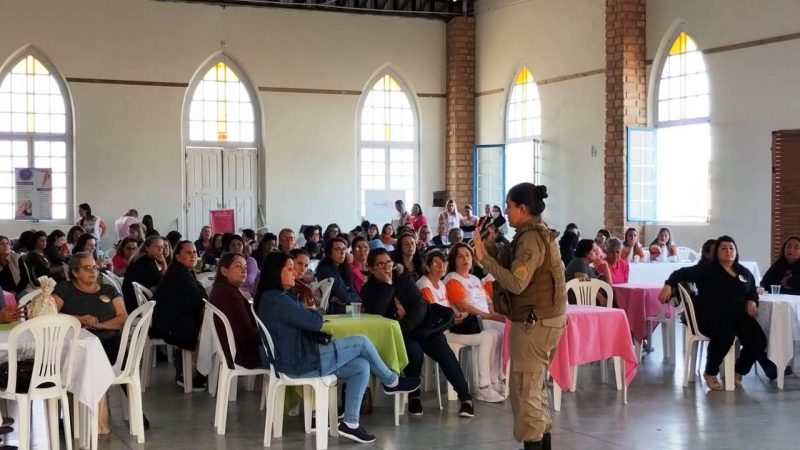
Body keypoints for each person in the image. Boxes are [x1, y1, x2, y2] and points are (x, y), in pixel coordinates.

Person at [255, 251, 420, 444]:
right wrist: (314, 310)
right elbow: (315, 322)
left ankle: (351, 423)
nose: (295, 273)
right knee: (361, 341)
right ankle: (391, 381)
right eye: (290, 269)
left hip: (296, 356)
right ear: (276, 272)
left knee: (361, 366)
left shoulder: (273, 297)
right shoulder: (278, 299)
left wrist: (309, 311)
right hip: (297, 361)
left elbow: (305, 318)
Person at [472, 182, 566, 450]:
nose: (506, 211)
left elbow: (516, 282)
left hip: (535, 326)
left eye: (509, 206)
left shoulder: (531, 238)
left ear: (522, 208)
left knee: (526, 394)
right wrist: (491, 248)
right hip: (545, 322)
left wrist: (483, 259)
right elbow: (516, 263)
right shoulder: (533, 232)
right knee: (534, 391)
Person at [361, 248, 474, 418]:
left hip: (419, 327)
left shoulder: (404, 278)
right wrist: (388, 285)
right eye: (380, 264)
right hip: (398, 335)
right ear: (370, 268)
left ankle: (465, 399)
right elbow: (377, 311)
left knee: (444, 352)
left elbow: (420, 305)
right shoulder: (368, 289)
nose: (386, 268)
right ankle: (414, 396)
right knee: (414, 354)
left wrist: (404, 325)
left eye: (388, 263)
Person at [658, 235, 778, 390]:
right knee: (725, 335)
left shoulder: (744, 272)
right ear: (717, 252)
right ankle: (710, 372)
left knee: (758, 340)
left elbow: (752, 291)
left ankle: (738, 370)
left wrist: (752, 300)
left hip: (738, 315)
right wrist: (668, 285)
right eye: (723, 248)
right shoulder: (707, 269)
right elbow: (680, 273)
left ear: (736, 251)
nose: (728, 251)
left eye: (731, 248)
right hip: (710, 315)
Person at [418, 250, 504, 403]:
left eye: (442, 263)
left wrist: (456, 317)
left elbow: (448, 311)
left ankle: (494, 380)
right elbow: (433, 314)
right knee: (489, 336)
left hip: (450, 328)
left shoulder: (441, 285)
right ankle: (483, 387)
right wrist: (454, 318)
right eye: (436, 264)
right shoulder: (426, 284)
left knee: (495, 334)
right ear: (428, 267)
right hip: (437, 335)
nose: (440, 267)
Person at [441, 243, 506, 402]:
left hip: (482, 320)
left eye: (468, 255)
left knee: (504, 331)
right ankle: (484, 386)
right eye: (460, 256)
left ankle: (495, 379)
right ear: (453, 260)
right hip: (465, 325)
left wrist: (496, 313)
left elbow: (488, 302)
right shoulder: (452, 279)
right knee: (494, 334)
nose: (465, 259)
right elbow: (465, 307)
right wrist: (491, 317)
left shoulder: (475, 279)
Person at [151, 240, 207, 390]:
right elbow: (200, 299)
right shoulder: (179, 274)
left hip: (171, 319)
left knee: (205, 322)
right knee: (207, 329)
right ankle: (191, 375)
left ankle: (192, 370)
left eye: (194, 252)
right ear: (177, 257)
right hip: (168, 325)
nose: (193, 255)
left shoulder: (182, 271)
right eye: (188, 252)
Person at [208, 252, 262, 369]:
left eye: (245, 267)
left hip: (234, 347)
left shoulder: (223, 289)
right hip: (240, 353)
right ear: (224, 271)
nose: (244, 271)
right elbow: (246, 333)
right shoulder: (229, 296)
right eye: (238, 266)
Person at [121, 235, 168, 313]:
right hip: (136, 304)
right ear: (147, 248)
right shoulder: (145, 262)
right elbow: (163, 282)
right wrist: (164, 263)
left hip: (132, 301)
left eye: (162, 247)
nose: (160, 249)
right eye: (156, 246)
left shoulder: (143, 258)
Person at [315, 237, 359, 314]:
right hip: (333, 312)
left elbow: (354, 295)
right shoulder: (325, 271)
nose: (342, 253)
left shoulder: (343, 270)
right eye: (338, 249)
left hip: (345, 309)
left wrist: (344, 298)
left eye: (344, 249)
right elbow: (344, 296)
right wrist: (347, 297)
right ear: (329, 252)